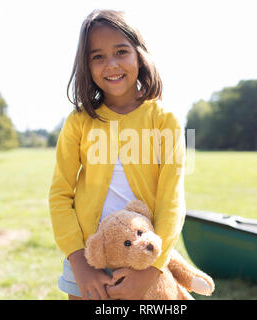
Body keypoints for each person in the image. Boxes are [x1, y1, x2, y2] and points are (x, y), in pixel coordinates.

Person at [49, 9, 186, 300]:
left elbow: (171, 201)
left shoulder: (165, 120)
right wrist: (79, 263)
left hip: (144, 259)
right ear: (86, 65)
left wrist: (150, 272)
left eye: (121, 51)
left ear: (139, 55)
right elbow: (60, 194)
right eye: (97, 56)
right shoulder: (78, 121)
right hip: (87, 261)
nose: (110, 64)